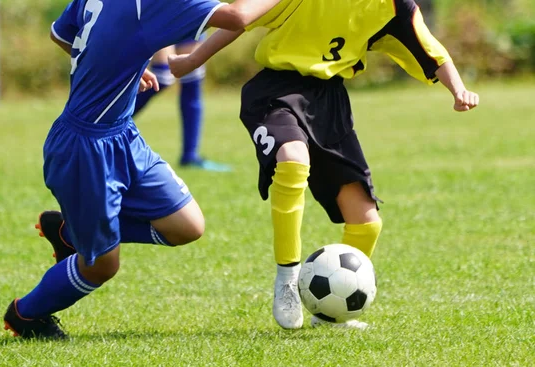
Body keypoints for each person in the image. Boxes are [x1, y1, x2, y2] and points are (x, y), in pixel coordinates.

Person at [168, 0, 479, 330]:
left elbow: (431, 51)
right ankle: (287, 280)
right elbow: (240, 21)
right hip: (275, 92)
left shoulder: (393, 7)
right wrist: (192, 59)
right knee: (292, 159)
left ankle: (330, 314)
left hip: (329, 104)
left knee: (366, 222)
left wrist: (458, 90)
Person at [2, 0, 281, 339]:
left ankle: (70, 233)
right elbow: (238, 17)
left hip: (122, 135)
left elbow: (61, 34)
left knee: (187, 226)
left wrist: (126, 62)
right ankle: (26, 315)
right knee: (103, 266)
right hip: (84, 151)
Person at [134, 42, 231, 172]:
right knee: (163, 75)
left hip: (191, 21)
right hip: (162, 20)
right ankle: (105, 121)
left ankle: (190, 155)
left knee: (192, 77)